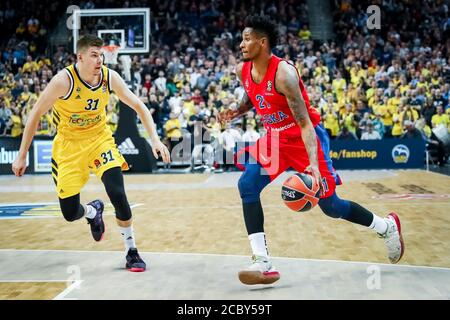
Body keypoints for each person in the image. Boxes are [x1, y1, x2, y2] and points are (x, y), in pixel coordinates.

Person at [218, 15, 405, 286]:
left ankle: (385, 227)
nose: (242, 44)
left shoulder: (284, 74)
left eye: (247, 39)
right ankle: (263, 263)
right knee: (247, 184)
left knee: (331, 206)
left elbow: (305, 123)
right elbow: (252, 97)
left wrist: (314, 166)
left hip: (305, 139)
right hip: (275, 140)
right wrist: (235, 111)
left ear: (262, 42)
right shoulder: (242, 70)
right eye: (241, 39)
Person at [12, 35, 171, 272]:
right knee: (69, 212)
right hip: (68, 147)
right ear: (81, 57)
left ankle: (131, 251)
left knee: (117, 193)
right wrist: (22, 153)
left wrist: (155, 139)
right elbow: (35, 114)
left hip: (99, 140)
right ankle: (92, 211)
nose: (99, 60)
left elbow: (138, 105)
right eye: (95, 55)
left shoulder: (109, 77)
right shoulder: (62, 81)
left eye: (102, 55)